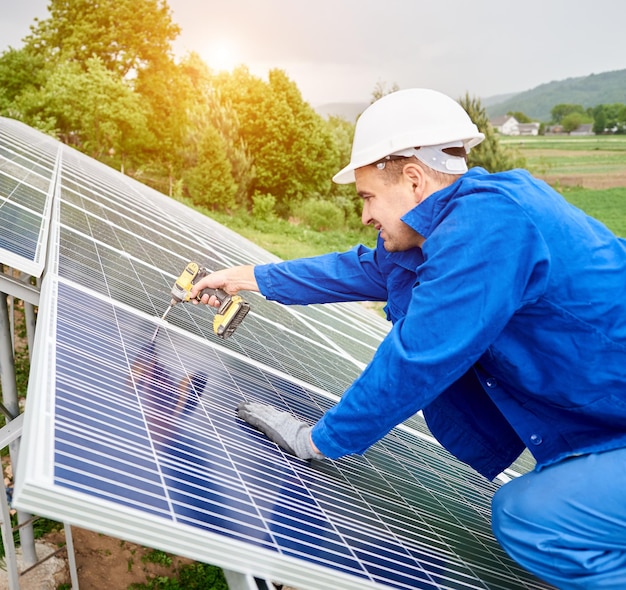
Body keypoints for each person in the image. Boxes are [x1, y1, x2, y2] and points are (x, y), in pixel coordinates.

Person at [191, 88, 626, 589]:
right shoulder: (452, 224)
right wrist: (247, 276)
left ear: (415, 181)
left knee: (532, 518)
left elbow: (418, 356)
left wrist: (318, 440)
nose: (365, 216)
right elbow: (360, 269)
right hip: (606, 425)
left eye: (368, 197)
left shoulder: (489, 229)